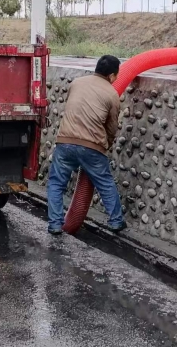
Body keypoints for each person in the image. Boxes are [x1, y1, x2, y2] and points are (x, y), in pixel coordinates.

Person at [47, 55, 126, 235]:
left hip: (65, 141)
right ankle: (116, 221)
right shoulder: (112, 93)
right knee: (105, 182)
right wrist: (107, 144)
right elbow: (112, 126)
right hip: (92, 145)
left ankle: (55, 224)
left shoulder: (77, 82)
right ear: (113, 75)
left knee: (56, 183)